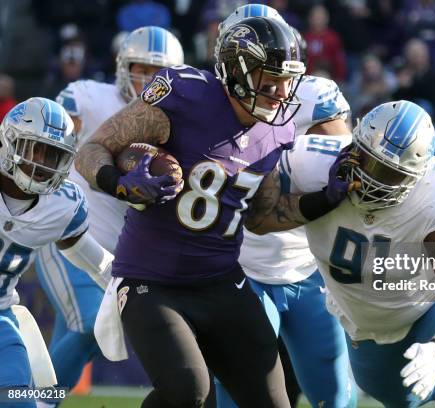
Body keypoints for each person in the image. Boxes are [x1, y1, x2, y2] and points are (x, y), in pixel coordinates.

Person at [76, 16, 357, 408]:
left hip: (220, 281)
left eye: (288, 79)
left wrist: (326, 199)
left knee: (272, 402)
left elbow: (263, 216)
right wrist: (119, 183)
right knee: (190, 393)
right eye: (271, 78)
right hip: (151, 281)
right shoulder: (185, 95)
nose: (281, 92)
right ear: (238, 69)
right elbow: (92, 149)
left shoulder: (275, 128)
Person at [289, 100, 435, 407]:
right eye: (370, 163)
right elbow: (257, 214)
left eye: (390, 174)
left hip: (433, 304)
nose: (373, 180)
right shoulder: (311, 163)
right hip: (368, 328)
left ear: (416, 176)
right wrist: (314, 202)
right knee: (397, 397)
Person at [211, 5, 357, 408]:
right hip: (237, 267)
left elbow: (347, 167)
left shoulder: (313, 95)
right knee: (240, 385)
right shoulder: (205, 101)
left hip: (305, 266)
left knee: (332, 394)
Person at [34, 26, 184, 393]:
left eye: (158, 71)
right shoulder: (87, 95)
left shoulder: (179, 119)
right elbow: (49, 139)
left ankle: (33, 399)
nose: (148, 79)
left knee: (79, 332)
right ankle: (28, 400)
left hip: (123, 257)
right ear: (123, 66)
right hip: (69, 234)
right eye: (141, 68)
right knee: (89, 325)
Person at [0, 98, 113, 408]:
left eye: (52, 154)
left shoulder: (62, 207)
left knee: (18, 403)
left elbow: (93, 260)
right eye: (34, 149)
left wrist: (133, 288)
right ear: (9, 142)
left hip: (0, 316)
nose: (41, 163)